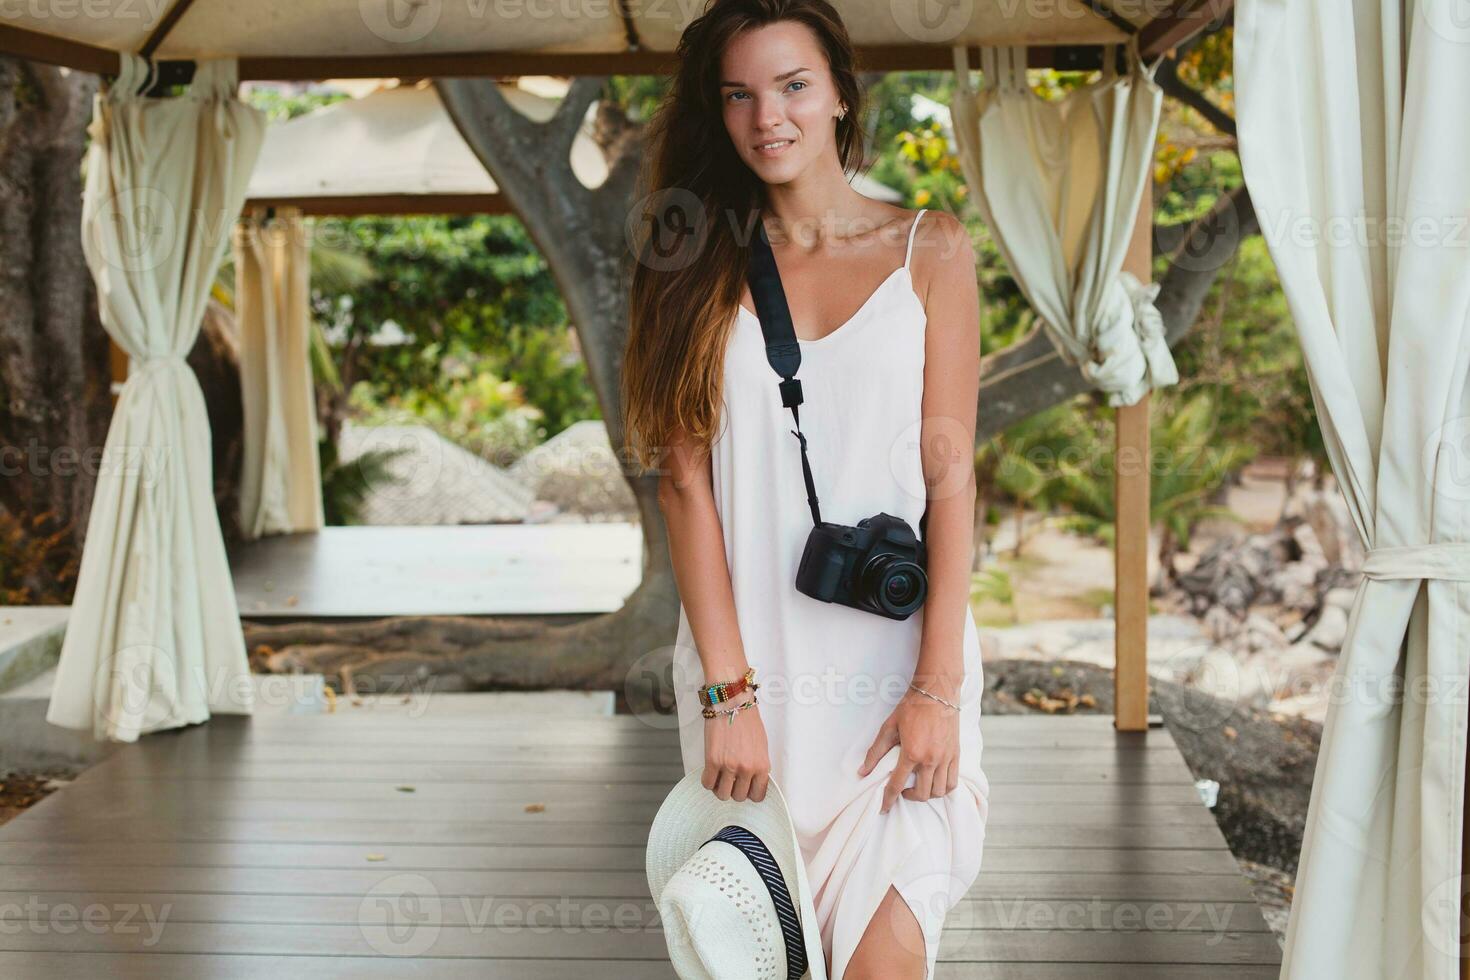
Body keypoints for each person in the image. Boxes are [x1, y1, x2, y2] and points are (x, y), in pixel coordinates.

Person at [621, 2, 989, 977]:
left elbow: (952, 480)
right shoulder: (687, 258)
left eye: (791, 85)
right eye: (738, 94)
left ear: (837, 94)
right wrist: (727, 692)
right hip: (750, 680)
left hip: (898, 681)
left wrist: (938, 688)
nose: (766, 116)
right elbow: (684, 487)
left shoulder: (932, 249)